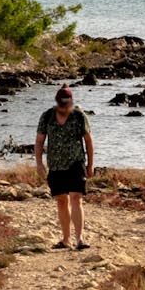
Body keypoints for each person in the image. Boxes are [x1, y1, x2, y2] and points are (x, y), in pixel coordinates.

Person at [34, 84, 94, 250]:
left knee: (76, 198)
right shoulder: (47, 116)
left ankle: (79, 239)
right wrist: (39, 163)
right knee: (61, 201)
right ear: (57, 102)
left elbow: (88, 141)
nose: (64, 107)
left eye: (67, 104)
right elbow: (39, 142)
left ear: (71, 102)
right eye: (61, 104)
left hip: (76, 163)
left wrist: (90, 165)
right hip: (55, 165)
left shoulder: (79, 116)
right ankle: (66, 239)